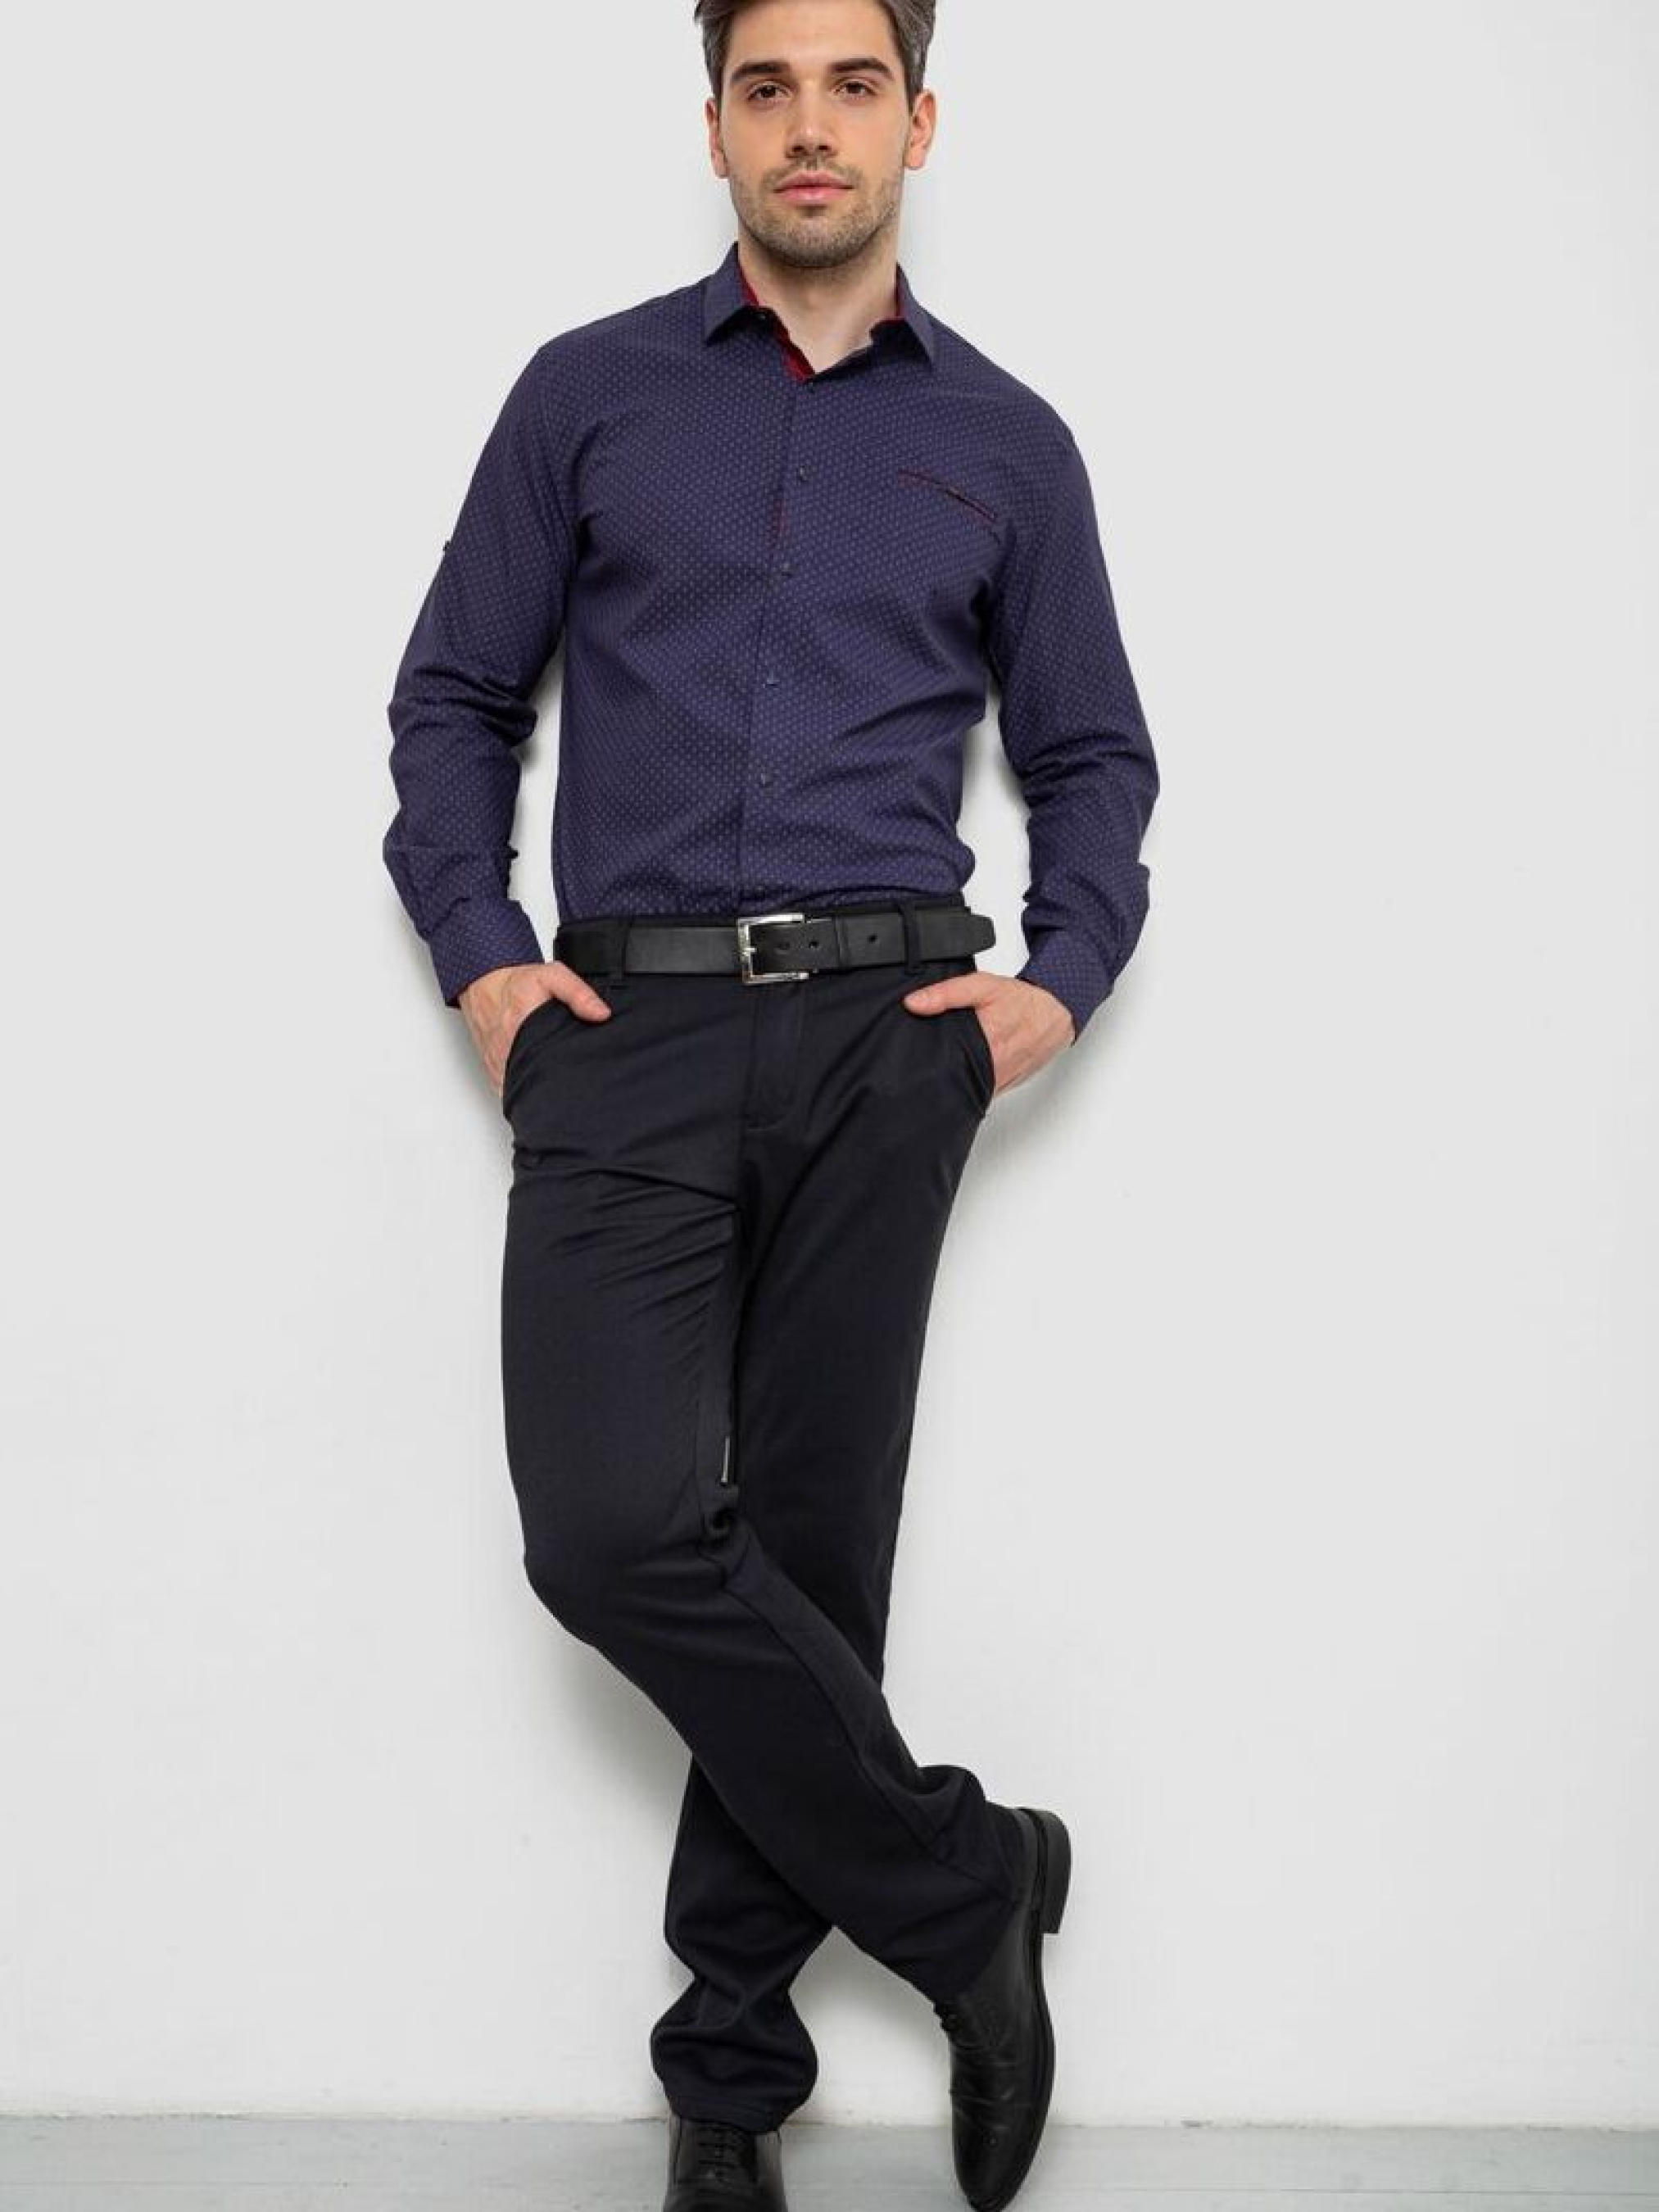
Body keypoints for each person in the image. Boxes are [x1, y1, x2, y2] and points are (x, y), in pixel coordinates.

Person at [381, 1, 1158, 2204]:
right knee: (610, 1531)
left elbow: (1093, 752)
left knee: (810, 1551)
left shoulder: (1007, 442)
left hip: (881, 1039)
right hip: (616, 1037)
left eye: (850, 85)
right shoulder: (587, 395)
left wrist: (1052, 979)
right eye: (765, 86)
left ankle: (726, 2083)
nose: (809, 126)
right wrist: (487, 962)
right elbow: (451, 701)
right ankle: (968, 1884)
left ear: (919, 119)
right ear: (713, 123)